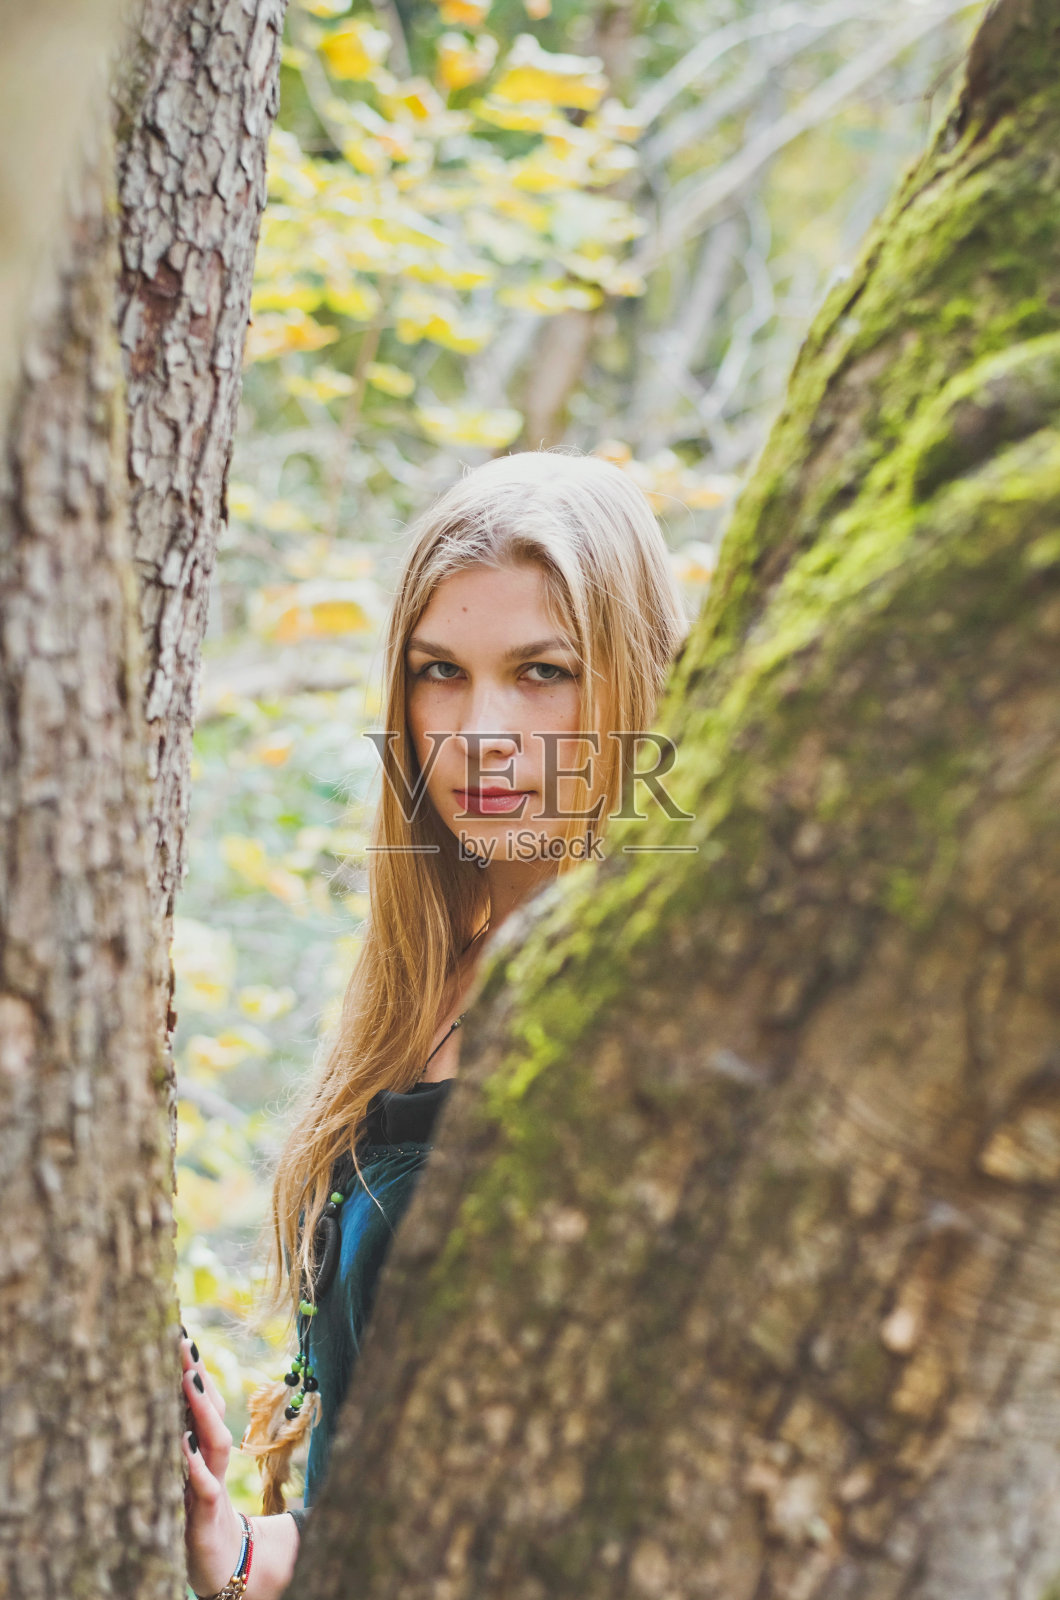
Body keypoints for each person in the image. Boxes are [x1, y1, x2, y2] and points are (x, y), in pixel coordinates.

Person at [179, 449, 690, 1599]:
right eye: (439, 672)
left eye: (543, 672)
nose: (479, 731)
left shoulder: (661, 1015)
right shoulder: (418, 986)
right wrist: (240, 1548)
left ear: (635, 682)